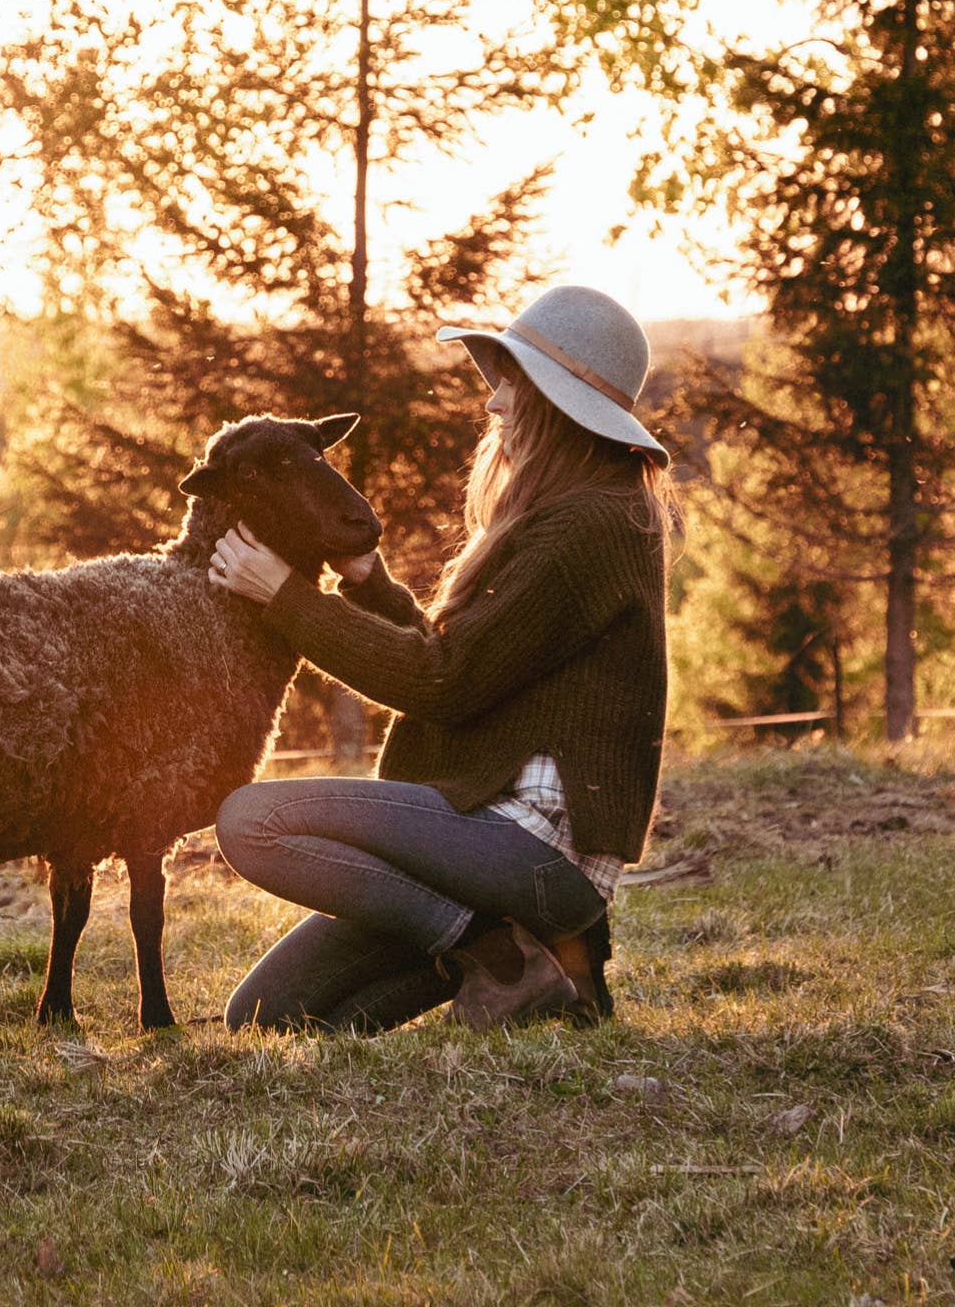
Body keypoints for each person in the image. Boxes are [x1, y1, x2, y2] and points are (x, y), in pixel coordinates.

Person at [206, 284, 672, 1033]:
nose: (493, 405)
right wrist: (370, 585)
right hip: (484, 845)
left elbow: (441, 683)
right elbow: (464, 663)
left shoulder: (589, 527)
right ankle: (538, 961)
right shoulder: (571, 511)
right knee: (268, 1015)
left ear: (555, 405)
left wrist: (287, 600)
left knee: (252, 821)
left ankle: (499, 952)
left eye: (511, 384)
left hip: (531, 851)